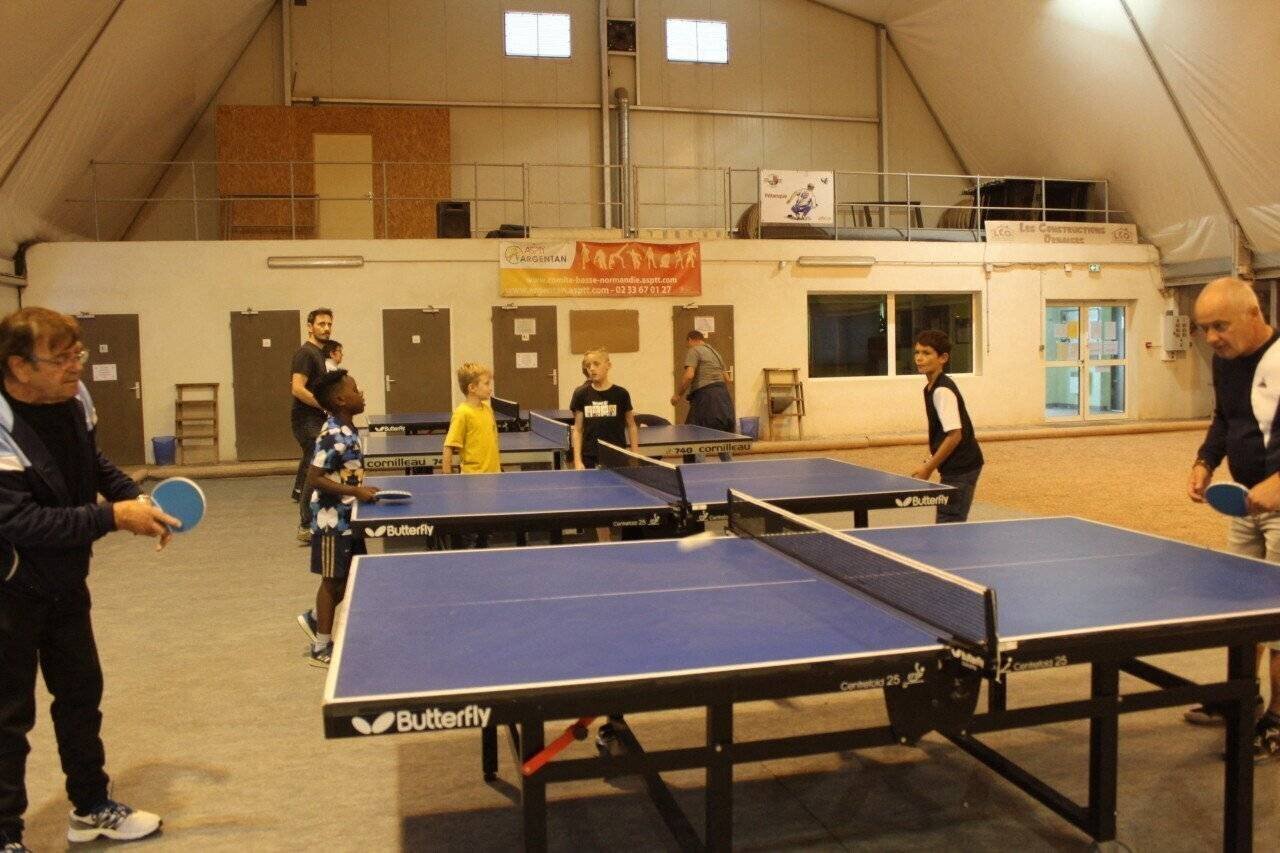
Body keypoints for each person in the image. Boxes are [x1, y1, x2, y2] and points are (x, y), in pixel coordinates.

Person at [0, 307, 179, 850]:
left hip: (63, 580)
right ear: (19, 366)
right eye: (61, 358)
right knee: (9, 717)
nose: (77, 366)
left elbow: (90, 462)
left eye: (78, 354)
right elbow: (20, 521)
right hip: (7, 588)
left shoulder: (75, 399)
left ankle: (92, 807)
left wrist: (131, 496)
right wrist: (112, 517)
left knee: (80, 694)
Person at [1185, 276, 1280, 759]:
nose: (1213, 338)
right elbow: (1224, 419)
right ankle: (1243, 695)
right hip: (1245, 503)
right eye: (1205, 329)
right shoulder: (1226, 364)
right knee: (1241, 611)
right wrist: (1205, 462)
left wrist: (1277, 485)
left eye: (1220, 326)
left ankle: (1279, 720)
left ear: (1253, 313)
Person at [296, 369, 378, 667]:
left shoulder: (349, 429)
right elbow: (314, 478)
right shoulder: (333, 434)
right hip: (332, 520)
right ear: (342, 400)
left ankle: (315, 617)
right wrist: (355, 493)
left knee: (351, 578)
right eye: (356, 389)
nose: (361, 393)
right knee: (332, 583)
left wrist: (357, 493)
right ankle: (321, 647)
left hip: (350, 517)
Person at [908, 329, 983, 523]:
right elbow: (945, 433)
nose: (919, 358)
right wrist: (932, 460)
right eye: (917, 352)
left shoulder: (942, 390)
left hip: (962, 467)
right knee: (947, 518)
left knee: (949, 520)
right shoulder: (930, 387)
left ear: (943, 358)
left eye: (926, 353)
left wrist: (928, 468)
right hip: (955, 465)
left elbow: (954, 435)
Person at [440, 363, 501, 548]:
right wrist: (447, 480)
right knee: (470, 532)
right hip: (472, 481)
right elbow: (449, 447)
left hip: (492, 478)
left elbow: (492, 442)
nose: (490, 387)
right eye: (486, 383)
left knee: (487, 530)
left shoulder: (487, 409)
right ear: (472, 388)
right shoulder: (462, 413)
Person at [290, 308, 334, 544]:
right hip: (305, 419)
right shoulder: (306, 353)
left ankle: (310, 514)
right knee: (314, 467)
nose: (326, 328)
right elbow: (297, 388)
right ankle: (306, 524)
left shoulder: (319, 354)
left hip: (317, 418)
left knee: (313, 465)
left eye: (329, 324)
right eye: (321, 324)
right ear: (310, 326)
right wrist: (323, 405)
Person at [670, 330, 735, 462]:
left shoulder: (694, 350)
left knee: (697, 436)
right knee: (721, 437)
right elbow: (727, 379)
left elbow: (689, 375)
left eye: (687, 344)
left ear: (690, 340)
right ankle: (730, 469)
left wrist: (677, 395)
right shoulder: (716, 353)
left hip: (706, 398)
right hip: (723, 398)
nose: (688, 347)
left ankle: (697, 471)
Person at [571, 348, 639, 470]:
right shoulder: (581, 394)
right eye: (588, 366)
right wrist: (577, 460)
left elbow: (631, 425)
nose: (591, 368)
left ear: (608, 365)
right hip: (590, 457)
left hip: (617, 455)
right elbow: (578, 429)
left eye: (596, 364)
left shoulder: (621, 394)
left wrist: (634, 454)